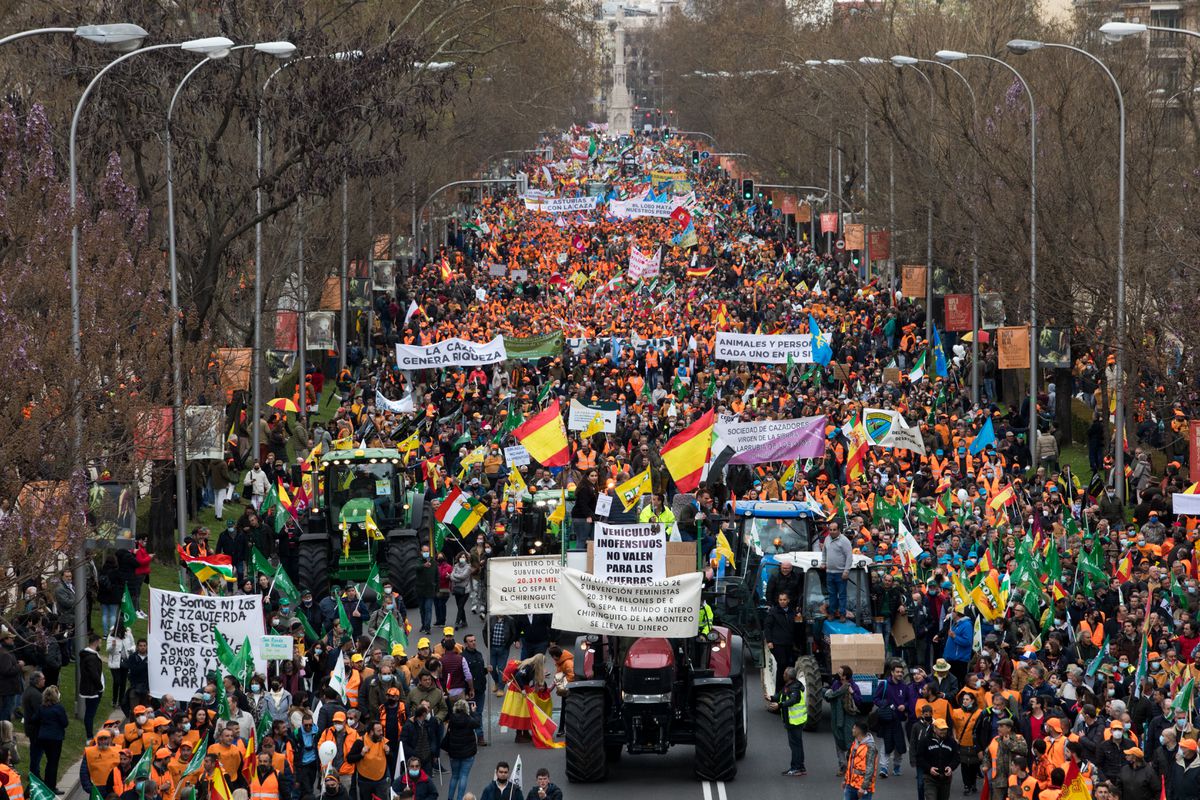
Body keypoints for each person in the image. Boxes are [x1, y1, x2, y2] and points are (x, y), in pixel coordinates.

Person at [767, 666, 807, 776]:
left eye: (784, 674)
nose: (783, 675)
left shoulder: (794, 688)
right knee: (796, 744)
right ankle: (800, 767)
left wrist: (779, 705)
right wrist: (771, 698)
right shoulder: (788, 686)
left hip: (795, 721)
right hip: (790, 721)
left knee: (795, 745)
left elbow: (793, 700)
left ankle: (796, 768)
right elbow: (781, 696)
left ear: (788, 676)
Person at [442, 699, 481, 800]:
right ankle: (460, 798)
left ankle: (450, 798)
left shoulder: (452, 719)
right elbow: (477, 723)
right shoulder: (468, 719)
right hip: (468, 753)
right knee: (464, 776)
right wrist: (474, 712)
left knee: (454, 776)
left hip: (454, 753)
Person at [826, 665, 862, 772]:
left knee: (850, 740)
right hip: (837, 717)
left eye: (840, 673)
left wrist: (852, 692)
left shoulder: (853, 686)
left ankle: (849, 762)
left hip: (849, 718)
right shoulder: (836, 684)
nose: (837, 674)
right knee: (838, 739)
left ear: (845, 676)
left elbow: (859, 701)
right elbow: (830, 696)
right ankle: (842, 766)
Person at [915, 718, 958, 800]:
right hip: (930, 778)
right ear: (934, 728)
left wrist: (951, 767)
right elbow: (919, 758)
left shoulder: (952, 742)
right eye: (941, 729)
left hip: (945, 779)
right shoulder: (925, 741)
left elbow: (956, 757)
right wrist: (929, 768)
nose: (944, 731)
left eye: (945, 729)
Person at [36, 684, 69, 790]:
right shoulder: (59, 708)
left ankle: (47, 784)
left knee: (49, 761)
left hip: (44, 737)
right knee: (53, 763)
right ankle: (52, 786)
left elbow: (34, 719)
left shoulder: (42, 707)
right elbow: (65, 723)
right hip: (55, 738)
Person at [349, 721, 390, 800]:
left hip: (381, 780)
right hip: (365, 781)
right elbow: (349, 758)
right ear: (371, 732)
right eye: (378, 731)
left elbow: (391, 759)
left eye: (381, 730)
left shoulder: (385, 741)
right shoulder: (360, 742)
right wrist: (361, 754)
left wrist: (388, 752)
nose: (381, 733)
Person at [822, 523, 853, 620]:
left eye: (834, 530)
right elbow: (824, 551)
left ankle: (842, 614)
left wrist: (846, 571)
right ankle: (832, 613)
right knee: (832, 595)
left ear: (839, 530)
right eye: (830, 530)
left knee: (842, 594)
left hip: (840, 573)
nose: (832, 531)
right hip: (829, 572)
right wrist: (823, 562)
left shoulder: (844, 541)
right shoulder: (827, 539)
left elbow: (849, 556)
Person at [845, 720, 879, 800]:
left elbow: (870, 769)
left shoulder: (870, 747)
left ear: (858, 730)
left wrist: (863, 787)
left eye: (853, 728)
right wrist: (845, 780)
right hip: (850, 785)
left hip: (863, 788)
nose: (852, 730)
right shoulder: (855, 743)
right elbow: (851, 764)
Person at [79, 632, 104, 738]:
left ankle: (90, 735)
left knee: (90, 713)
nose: (101, 645)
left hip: (91, 689)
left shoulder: (88, 656)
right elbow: (94, 675)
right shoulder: (91, 658)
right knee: (90, 714)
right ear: (96, 642)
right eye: (100, 643)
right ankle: (89, 736)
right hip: (93, 690)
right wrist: (100, 687)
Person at [21, 670, 45, 778]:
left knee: (34, 752)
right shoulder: (36, 695)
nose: (44, 681)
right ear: (37, 681)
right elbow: (39, 712)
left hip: (30, 727)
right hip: (35, 729)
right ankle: (35, 775)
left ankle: (34, 773)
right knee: (36, 754)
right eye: (43, 679)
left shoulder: (29, 691)